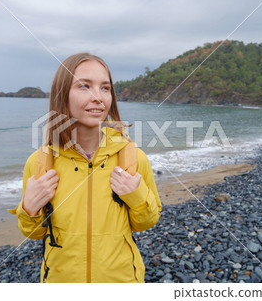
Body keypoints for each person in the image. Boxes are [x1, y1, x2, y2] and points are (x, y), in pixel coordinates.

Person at [9, 52, 162, 283]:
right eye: (84, 86)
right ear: (63, 95)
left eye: (105, 88)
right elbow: (34, 232)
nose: (98, 97)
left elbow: (146, 222)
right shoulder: (40, 162)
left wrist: (136, 195)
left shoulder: (133, 158)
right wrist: (28, 209)